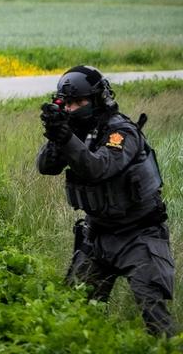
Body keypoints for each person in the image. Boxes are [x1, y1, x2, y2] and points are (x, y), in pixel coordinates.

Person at [37, 65, 175, 336]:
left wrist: (66, 137)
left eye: (80, 102)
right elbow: (45, 167)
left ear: (98, 100)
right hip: (98, 236)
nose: (73, 108)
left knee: (155, 317)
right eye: (68, 103)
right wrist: (57, 136)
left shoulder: (120, 132)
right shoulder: (77, 129)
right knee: (74, 315)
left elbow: (98, 168)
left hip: (138, 235)